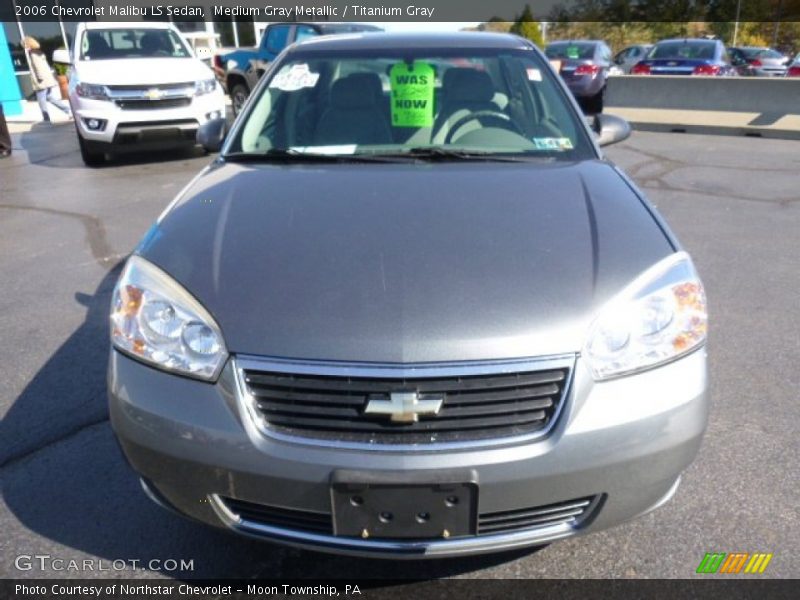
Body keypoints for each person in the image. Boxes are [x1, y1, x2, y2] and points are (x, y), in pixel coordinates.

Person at [23, 36, 72, 123]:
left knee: (41, 100)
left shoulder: (33, 54)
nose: (24, 47)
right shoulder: (39, 52)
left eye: (24, 45)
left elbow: (38, 67)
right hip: (47, 79)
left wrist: (39, 78)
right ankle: (67, 110)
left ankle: (46, 118)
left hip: (42, 81)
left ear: (28, 44)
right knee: (49, 97)